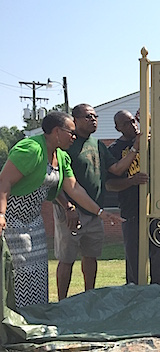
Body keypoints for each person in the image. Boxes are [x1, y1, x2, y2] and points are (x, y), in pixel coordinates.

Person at [0, 111, 122, 307]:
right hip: (13, 219)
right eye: (71, 132)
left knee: (39, 270)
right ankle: (17, 317)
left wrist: (100, 212)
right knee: (20, 270)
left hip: (34, 220)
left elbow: (73, 188)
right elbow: (3, 181)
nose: (74, 137)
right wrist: (1, 214)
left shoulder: (62, 156)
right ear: (57, 131)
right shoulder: (31, 149)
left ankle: (36, 314)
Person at [54, 104, 140, 301]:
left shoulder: (99, 145)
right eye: (88, 116)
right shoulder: (67, 146)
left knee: (91, 257)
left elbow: (117, 169)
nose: (93, 120)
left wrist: (135, 148)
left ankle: (89, 298)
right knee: (66, 259)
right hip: (71, 211)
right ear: (74, 120)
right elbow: (57, 182)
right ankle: (61, 303)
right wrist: (68, 207)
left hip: (94, 211)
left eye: (95, 116)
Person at [106, 110, 160, 286]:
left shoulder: (150, 142)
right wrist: (131, 181)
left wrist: (150, 121)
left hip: (158, 206)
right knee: (134, 254)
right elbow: (110, 184)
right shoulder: (114, 150)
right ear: (117, 127)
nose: (131, 125)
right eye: (125, 123)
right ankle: (134, 290)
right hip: (131, 208)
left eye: (133, 121)